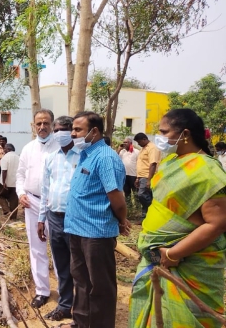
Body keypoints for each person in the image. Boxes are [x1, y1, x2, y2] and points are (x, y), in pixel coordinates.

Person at [129, 109, 226, 328]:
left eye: (164, 132)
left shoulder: (208, 171)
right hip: (156, 257)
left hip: (189, 263)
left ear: (185, 134)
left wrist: (174, 253)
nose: (160, 138)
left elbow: (218, 223)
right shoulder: (171, 161)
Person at [60, 111, 130, 328]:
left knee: (100, 286)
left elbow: (116, 197)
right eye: (72, 129)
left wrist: (122, 220)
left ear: (95, 131)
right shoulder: (85, 155)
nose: (72, 134)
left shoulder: (106, 158)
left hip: (96, 233)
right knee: (81, 282)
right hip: (77, 230)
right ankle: (81, 323)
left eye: (78, 129)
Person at [16, 109, 60, 309]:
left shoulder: (61, 147)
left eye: (46, 123)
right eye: (38, 124)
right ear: (33, 126)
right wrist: (20, 194)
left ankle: (64, 291)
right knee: (37, 249)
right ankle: (42, 291)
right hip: (32, 203)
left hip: (56, 205)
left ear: (52, 125)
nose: (42, 127)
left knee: (60, 249)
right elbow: (20, 175)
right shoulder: (27, 149)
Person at [37, 116, 78, 321]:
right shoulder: (51, 158)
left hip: (76, 219)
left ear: (73, 131)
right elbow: (45, 191)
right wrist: (41, 219)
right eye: (58, 129)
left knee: (78, 265)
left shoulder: (82, 157)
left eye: (66, 129)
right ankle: (64, 305)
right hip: (54, 217)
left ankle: (82, 309)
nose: (61, 133)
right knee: (61, 264)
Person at [133, 133, 161, 218]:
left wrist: (149, 180)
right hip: (141, 176)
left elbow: (153, 164)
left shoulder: (152, 148)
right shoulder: (143, 149)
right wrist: (138, 178)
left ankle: (155, 209)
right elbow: (141, 164)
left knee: (142, 195)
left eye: (139, 142)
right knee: (145, 196)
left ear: (144, 139)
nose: (138, 144)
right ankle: (145, 218)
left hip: (147, 176)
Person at [0, 143, 19, 217]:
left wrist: (4, 182)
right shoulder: (18, 157)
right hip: (16, 182)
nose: (3, 150)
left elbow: (4, 171)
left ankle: (6, 211)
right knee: (14, 198)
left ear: (8, 149)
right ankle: (13, 216)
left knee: (0, 196)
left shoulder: (5, 158)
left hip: (6, 181)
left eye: (5, 149)